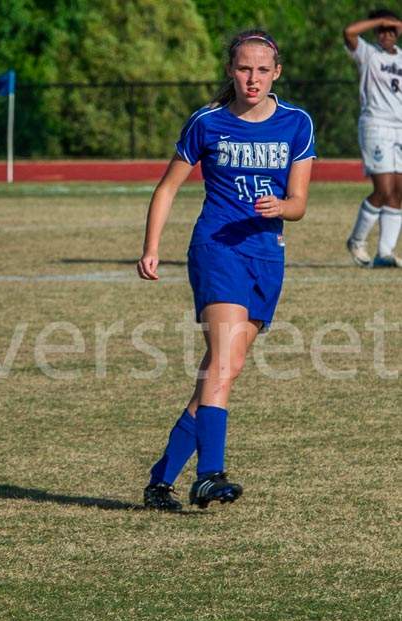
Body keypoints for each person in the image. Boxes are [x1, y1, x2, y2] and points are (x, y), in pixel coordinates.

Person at [136, 30, 315, 511]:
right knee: (220, 365)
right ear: (229, 71)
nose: (251, 78)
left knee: (222, 370)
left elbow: (299, 204)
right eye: (242, 68)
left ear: (276, 72)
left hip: (267, 257)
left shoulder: (297, 123)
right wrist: (151, 247)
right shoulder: (208, 122)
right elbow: (167, 187)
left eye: (261, 69)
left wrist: (281, 206)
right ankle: (210, 474)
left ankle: (160, 481)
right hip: (217, 250)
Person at [344, 10, 402, 267]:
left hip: (400, 129)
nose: (386, 34)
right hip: (376, 126)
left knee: (398, 192)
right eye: (382, 30)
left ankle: (385, 253)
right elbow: (349, 32)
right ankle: (356, 240)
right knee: (383, 189)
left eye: (391, 30)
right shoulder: (368, 54)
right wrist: (380, 20)